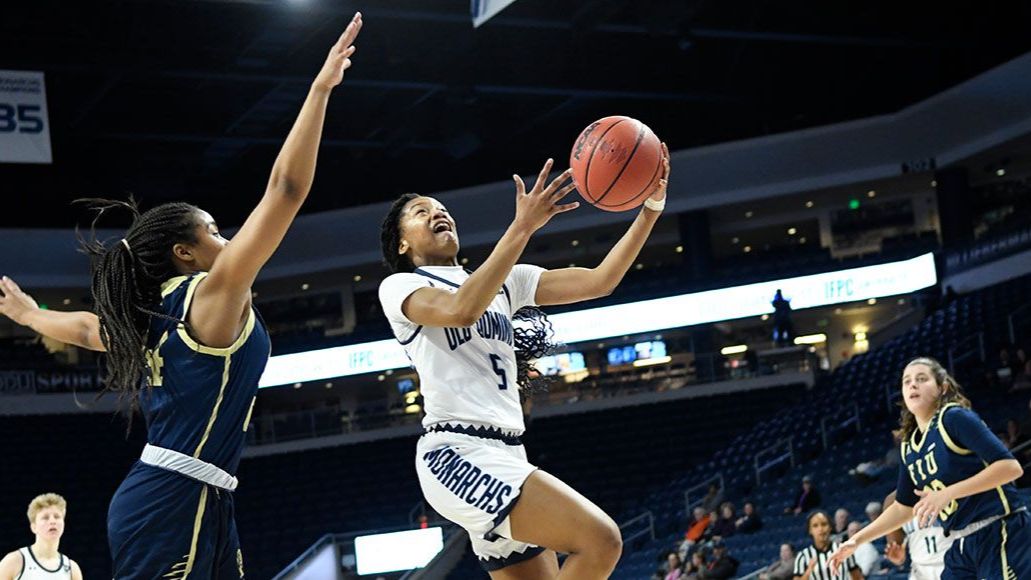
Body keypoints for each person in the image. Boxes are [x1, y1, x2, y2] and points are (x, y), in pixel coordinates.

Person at [0, 14, 363, 578]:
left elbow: (84, 329)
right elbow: (286, 191)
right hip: (172, 497)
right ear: (185, 254)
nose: (227, 239)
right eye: (215, 231)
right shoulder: (211, 295)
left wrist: (28, 313)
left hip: (200, 495)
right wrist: (319, 90)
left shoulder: (149, 316)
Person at [377, 143, 671, 578]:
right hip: (456, 451)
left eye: (442, 208)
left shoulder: (505, 281)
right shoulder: (400, 286)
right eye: (422, 212)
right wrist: (522, 227)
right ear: (402, 243)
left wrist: (650, 208)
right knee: (601, 540)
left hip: (509, 451)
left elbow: (600, 281)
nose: (439, 213)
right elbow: (461, 309)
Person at [830, 357, 1028, 579]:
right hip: (960, 542)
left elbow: (1010, 467)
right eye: (907, 381)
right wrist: (856, 541)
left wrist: (947, 493)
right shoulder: (909, 445)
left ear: (942, 388)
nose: (912, 384)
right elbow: (903, 508)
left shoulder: (954, 417)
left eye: (921, 379)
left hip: (1000, 529)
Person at [0, 494, 82, 580]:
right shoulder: (14, 561)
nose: (52, 521)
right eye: (45, 517)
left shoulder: (72, 569)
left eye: (57, 517)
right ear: (33, 527)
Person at [882, 491, 952, 580]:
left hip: (956, 563)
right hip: (920, 570)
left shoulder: (949, 484)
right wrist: (898, 558)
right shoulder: (892, 500)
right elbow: (896, 549)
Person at [793, 510, 862, 580]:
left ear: (830, 527)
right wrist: (808, 571)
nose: (820, 529)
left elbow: (858, 577)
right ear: (810, 530)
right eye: (815, 526)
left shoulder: (843, 549)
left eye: (824, 524)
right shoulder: (803, 556)